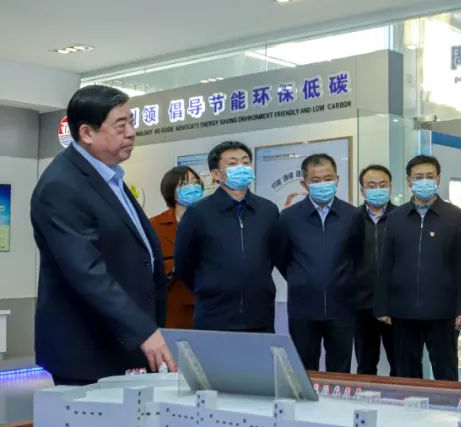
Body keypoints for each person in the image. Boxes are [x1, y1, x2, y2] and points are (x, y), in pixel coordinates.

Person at [31, 85, 175, 384]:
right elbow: (87, 271)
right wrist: (143, 331)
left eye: (132, 122)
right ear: (86, 133)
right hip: (89, 351)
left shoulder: (110, 177)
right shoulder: (62, 185)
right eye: (121, 125)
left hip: (125, 344)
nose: (132, 133)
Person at [374, 155, 461, 381]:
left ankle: (447, 404)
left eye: (430, 176)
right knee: (406, 373)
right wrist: (382, 305)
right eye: (418, 177)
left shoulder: (454, 216)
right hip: (403, 310)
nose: (424, 181)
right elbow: (386, 263)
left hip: (443, 310)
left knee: (446, 370)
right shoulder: (396, 217)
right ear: (409, 181)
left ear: (438, 180)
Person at [174, 141, 280, 333]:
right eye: (232, 163)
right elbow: (184, 265)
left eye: (245, 162)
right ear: (216, 174)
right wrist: (212, 287)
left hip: (259, 314)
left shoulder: (268, 210)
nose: (241, 167)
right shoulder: (198, 213)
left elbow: (272, 256)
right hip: (214, 316)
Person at [276, 154, 364, 373]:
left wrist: (341, 280)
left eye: (328, 178)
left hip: (341, 307)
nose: (323, 184)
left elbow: (358, 255)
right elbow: (281, 257)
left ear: (337, 179)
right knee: (305, 371)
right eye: (316, 180)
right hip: (303, 309)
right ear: (304, 184)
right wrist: (302, 278)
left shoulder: (352, 215)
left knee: (340, 372)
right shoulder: (288, 217)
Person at [354, 164, 397, 376]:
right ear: (362, 190)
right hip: (361, 305)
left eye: (382, 185)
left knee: (401, 365)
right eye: (371, 185)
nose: (377, 189)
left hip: (396, 306)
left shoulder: (402, 217)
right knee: (366, 366)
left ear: (390, 187)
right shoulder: (351, 219)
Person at [150, 166, 203, 329]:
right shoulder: (154, 225)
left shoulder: (214, 221)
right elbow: (144, 265)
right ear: (171, 191)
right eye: (184, 184)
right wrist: (175, 265)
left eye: (195, 182)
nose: (192, 187)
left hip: (209, 307)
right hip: (173, 309)